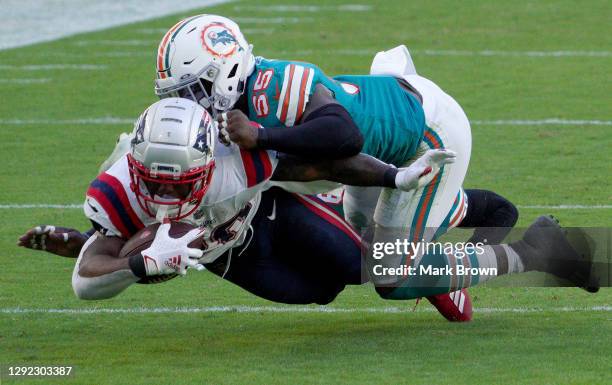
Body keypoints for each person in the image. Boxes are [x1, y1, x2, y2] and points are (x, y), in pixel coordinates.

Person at [151, 14, 521, 319]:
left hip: (428, 136)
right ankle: (446, 219)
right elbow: (322, 165)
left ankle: (527, 253)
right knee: (365, 236)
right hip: (386, 139)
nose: (189, 102)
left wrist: (261, 137)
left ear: (225, 69)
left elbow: (344, 137)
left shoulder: (272, 86)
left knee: (389, 278)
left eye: (193, 89)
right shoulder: (238, 104)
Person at [20, 97, 454, 303]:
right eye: (156, 183)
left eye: (181, 183)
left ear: (208, 163)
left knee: (359, 267)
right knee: (321, 292)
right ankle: (95, 240)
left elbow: (325, 164)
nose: (168, 198)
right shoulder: (117, 191)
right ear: (134, 167)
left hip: (264, 211)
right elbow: (84, 283)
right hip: (229, 257)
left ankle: (448, 218)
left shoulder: (236, 163)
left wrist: (396, 176)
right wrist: (140, 263)